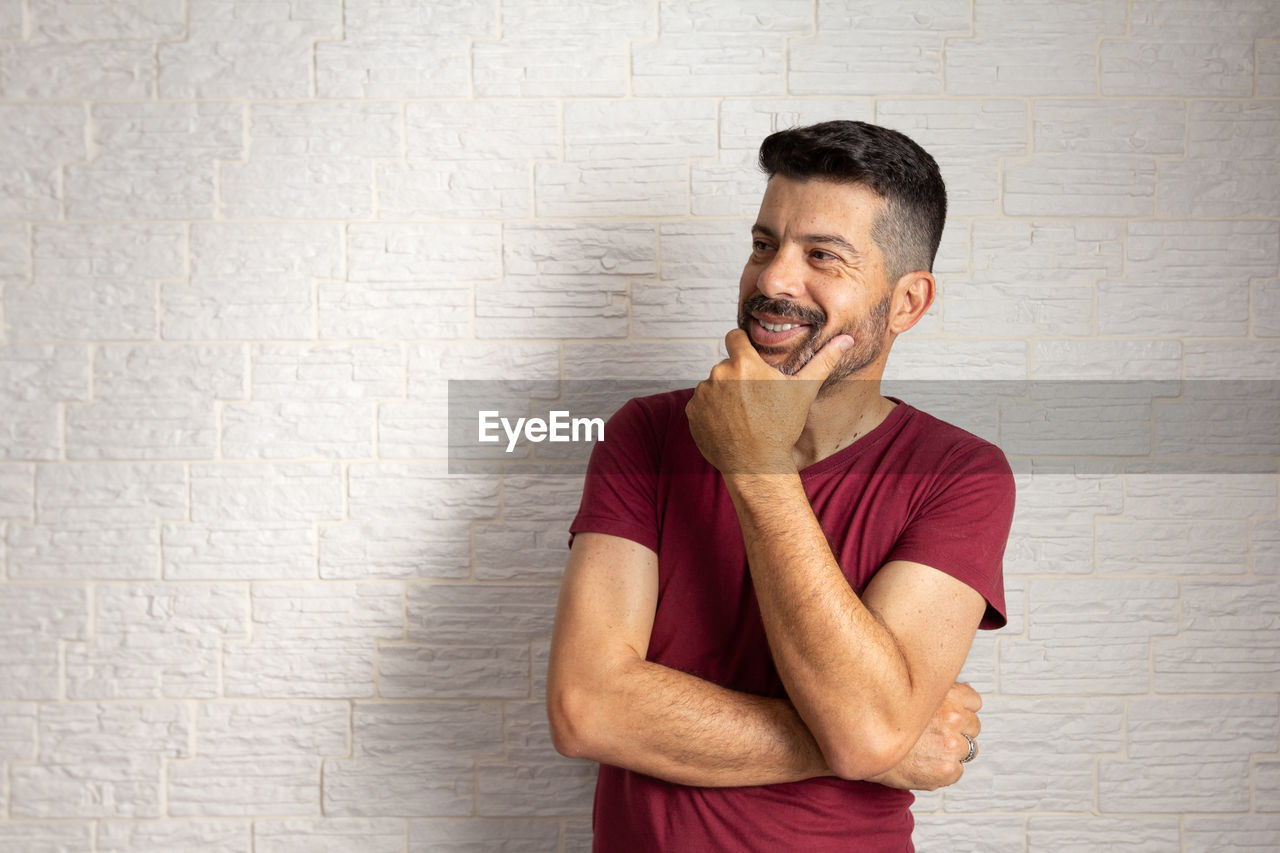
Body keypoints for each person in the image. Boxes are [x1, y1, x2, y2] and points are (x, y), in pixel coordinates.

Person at [546, 120, 1015, 852]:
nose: (771, 279)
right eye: (765, 244)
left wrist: (755, 461)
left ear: (907, 302)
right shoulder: (647, 434)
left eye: (822, 256)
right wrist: (882, 740)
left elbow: (865, 728)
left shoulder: (959, 475)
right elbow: (586, 708)